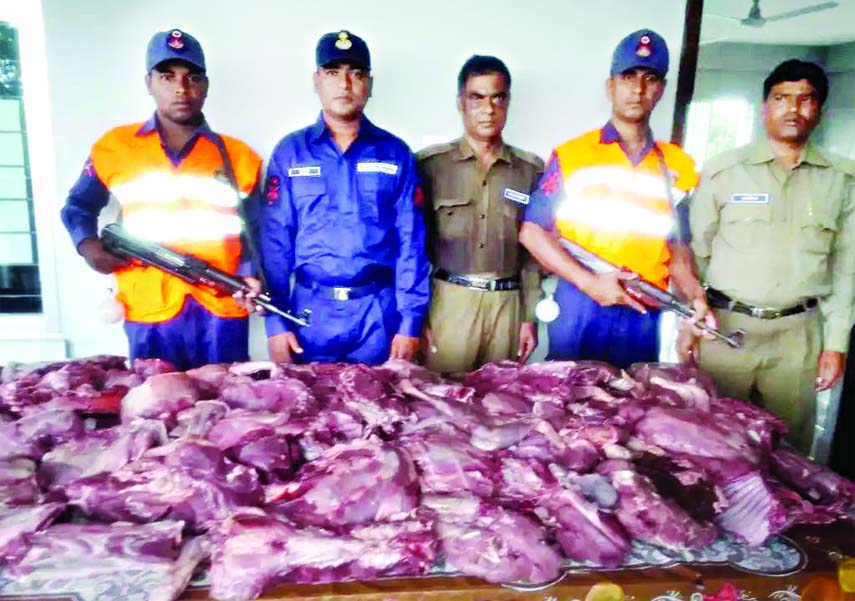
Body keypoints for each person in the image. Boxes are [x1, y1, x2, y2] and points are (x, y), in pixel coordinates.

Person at [60, 28, 263, 371]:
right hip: (148, 305)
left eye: (191, 77)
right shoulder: (115, 147)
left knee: (229, 410)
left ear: (205, 85)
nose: (181, 89)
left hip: (221, 305)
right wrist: (88, 246)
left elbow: (257, 231)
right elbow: (78, 206)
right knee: (153, 409)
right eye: (167, 77)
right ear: (148, 82)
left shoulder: (240, 156)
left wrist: (249, 273)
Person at [686, 59, 855, 453]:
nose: (793, 109)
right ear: (765, 108)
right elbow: (693, 254)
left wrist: (836, 344)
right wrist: (688, 322)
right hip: (726, 329)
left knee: (789, 449)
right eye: (781, 98)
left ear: (820, 110)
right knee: (714, 445)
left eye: (805, 100)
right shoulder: (723, 172)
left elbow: (847, 267)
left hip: (798, 337)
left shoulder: (842, 180)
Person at [518, 29, 711, 368]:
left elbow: (678, 250)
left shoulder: (678, 166)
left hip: (642, 314)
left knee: (631, 407)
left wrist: (695, 298)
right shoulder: (573, 155)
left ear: (661, 89)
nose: (637, 89)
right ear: (611, 86)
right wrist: (591, 284)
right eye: (628, 76)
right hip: (581, 304)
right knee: (568, 404)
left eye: (649, 78)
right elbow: (532, 232)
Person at [257, 30, 430, 365]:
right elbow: (275, 242)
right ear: (316, 80)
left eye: (356, 73)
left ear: (370, 84)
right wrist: (274, 320)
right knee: (309, 413)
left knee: (381, 412)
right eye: (333, 72)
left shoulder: (396, 153)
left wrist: (410, 322)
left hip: (378, 314)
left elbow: (411, 242)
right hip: (309, 312)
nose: (345, 84)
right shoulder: (291, 152)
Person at [417, 55, 543, 373]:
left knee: (502, 405)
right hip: (449, 303)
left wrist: (529, 317)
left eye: (497, 97)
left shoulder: (530, 170)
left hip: (508, 304)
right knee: (442, 404)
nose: (488, 109)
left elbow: (533, 255)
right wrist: (416, 317)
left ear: (508, 101)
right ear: (461, 102)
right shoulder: (431, 165)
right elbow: (411, 246)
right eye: (477, 98)